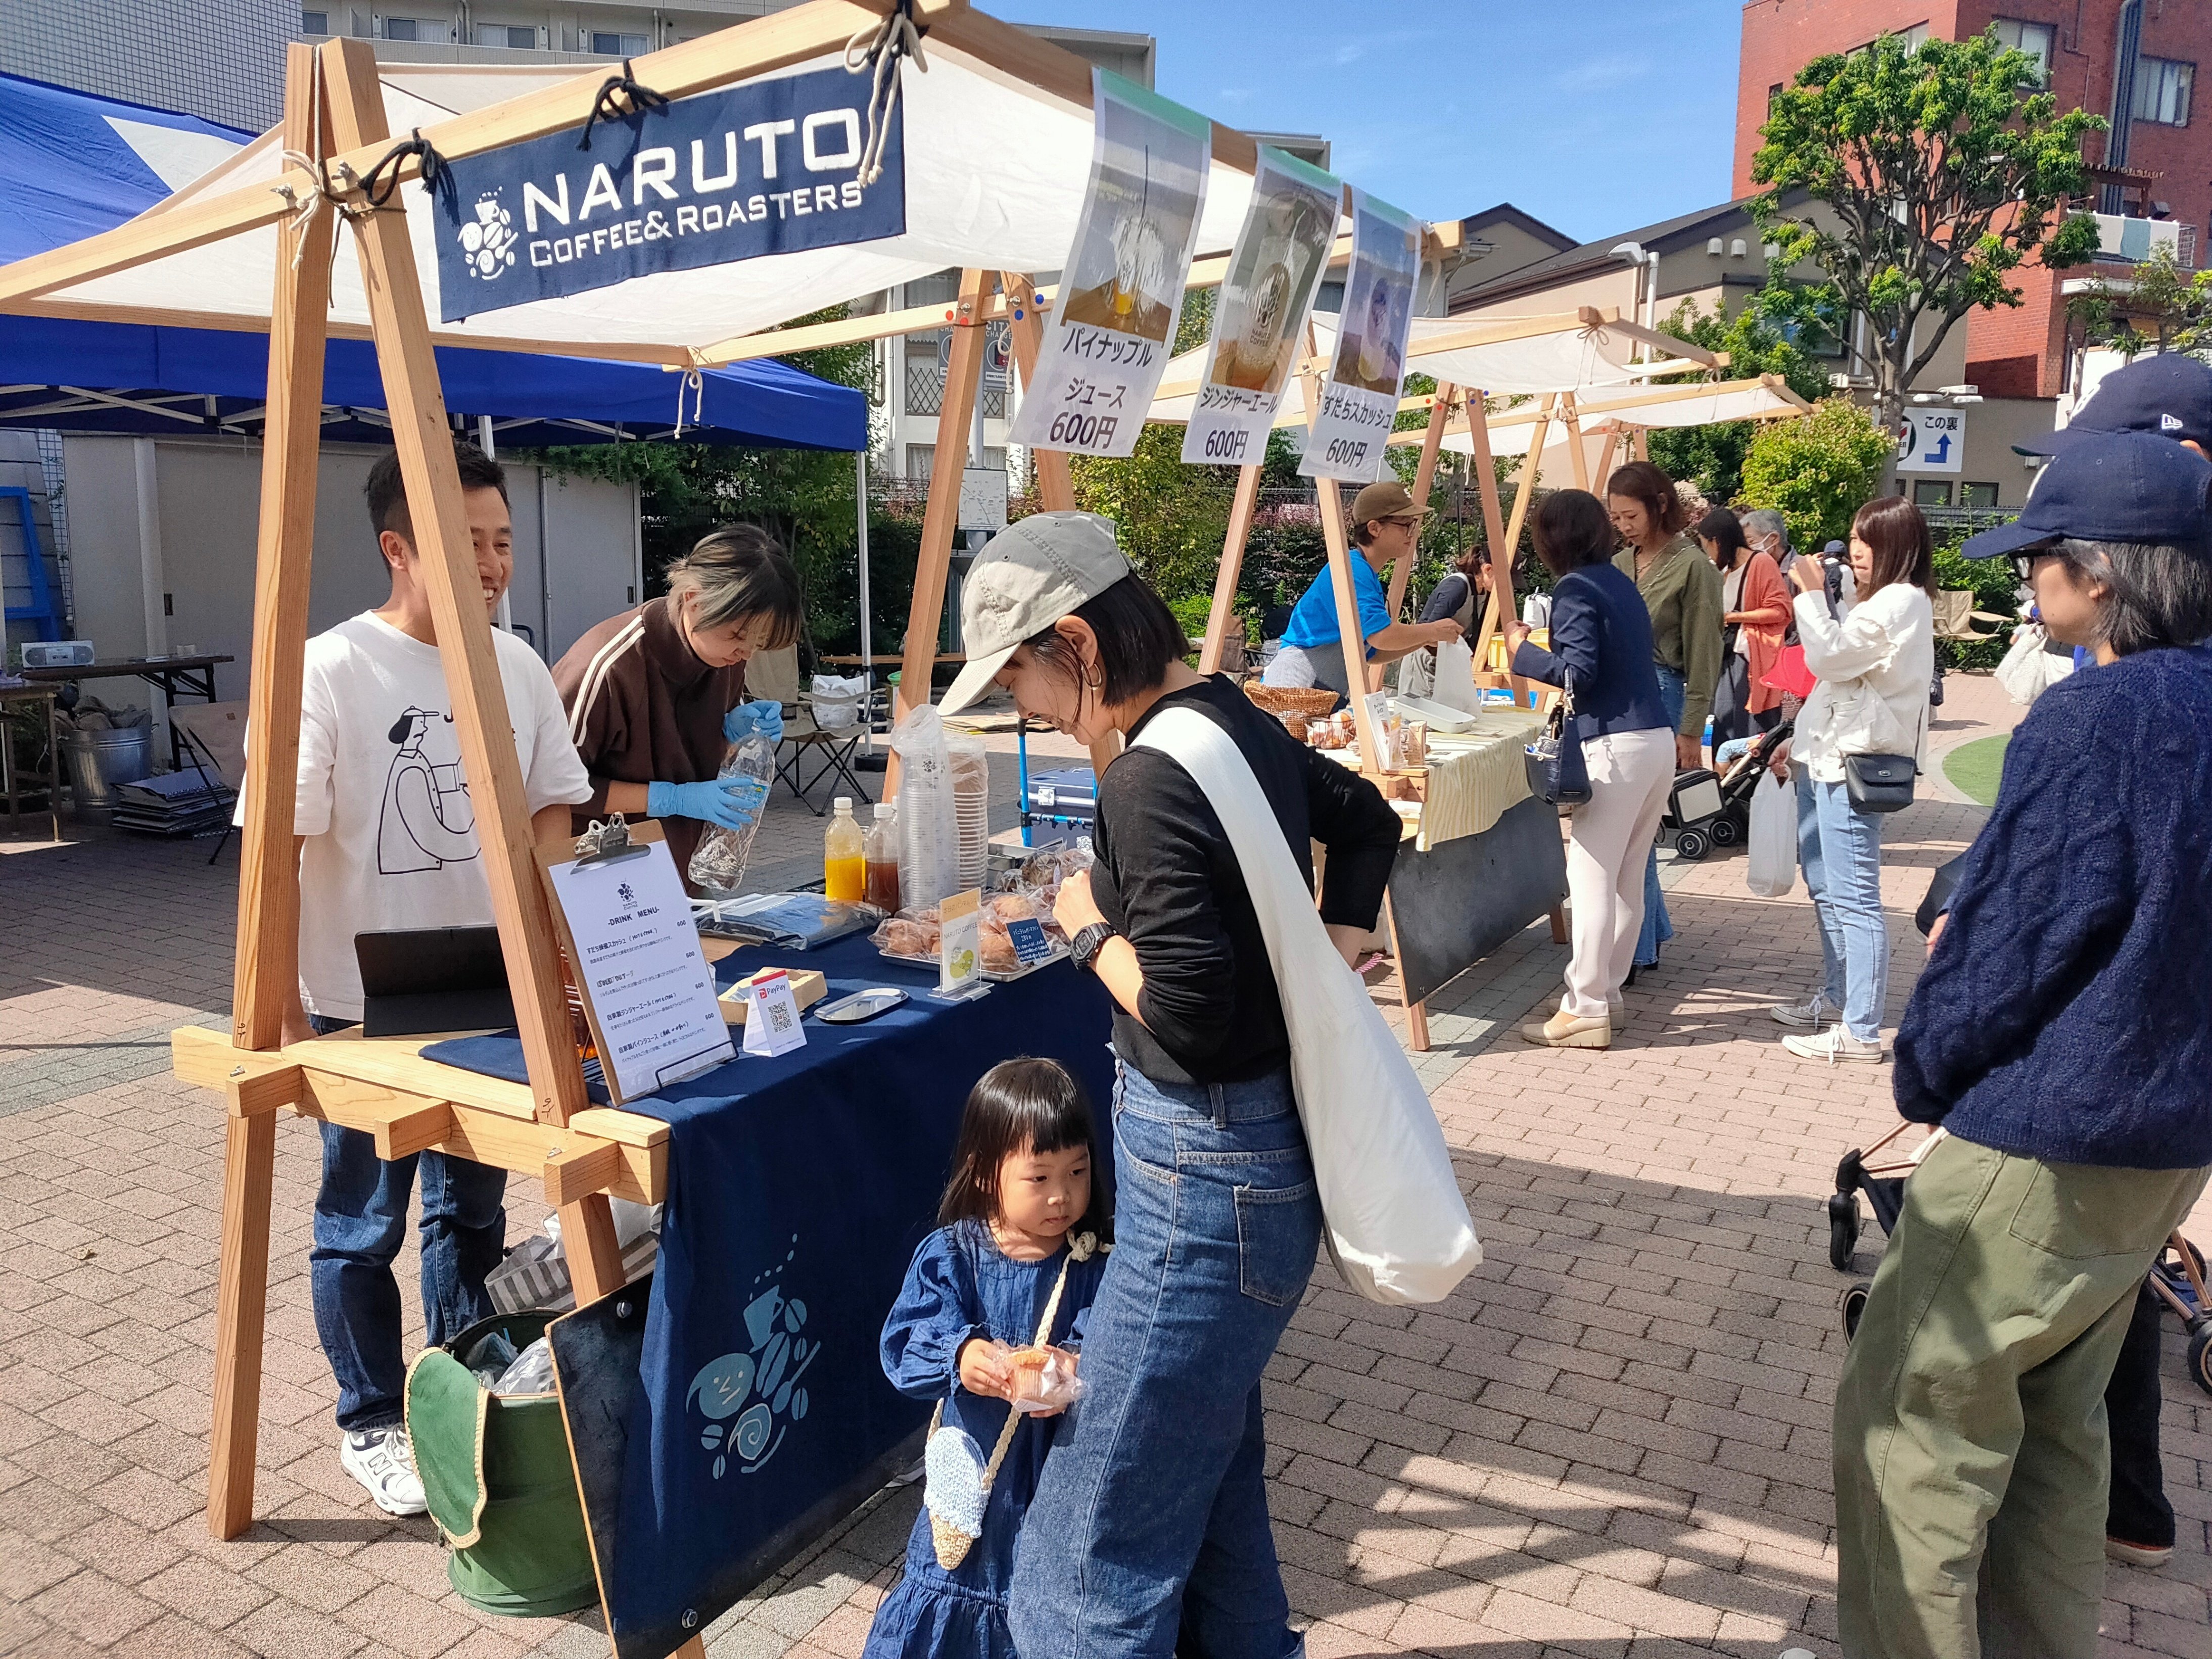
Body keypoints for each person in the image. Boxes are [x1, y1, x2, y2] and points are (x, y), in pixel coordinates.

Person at [930, 510, 1400, 1659]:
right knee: (1211, 1500)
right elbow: (1366, 817)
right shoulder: (1226, 716)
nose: (1027, 707)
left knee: (1081, 1559)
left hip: (1204, 1181)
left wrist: (1086, 926)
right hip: (1239, 1174)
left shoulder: (1144, 779)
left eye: (1026, 677)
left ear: (1079, 644)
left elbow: (1186, 1011)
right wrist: (1331, 952)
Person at [1834, 430, 2212, 1658]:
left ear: (2101, 574)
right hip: (2164, 1144)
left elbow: (2007, 950)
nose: (2030, 581)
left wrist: (1926, 1069)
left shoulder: (2099, 715)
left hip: (2044, 1132)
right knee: (2058, 1439)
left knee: (1909, 1444)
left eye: (2044, 558)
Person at [264, 439, 593, 1514]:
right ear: (397, 547)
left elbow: (555, 807)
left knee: (472, 1212)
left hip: (491, 990)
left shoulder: (515, 664)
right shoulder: (329, 668)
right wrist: (273, 1012)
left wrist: (555, 951)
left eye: (501, 542)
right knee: (362, 1220)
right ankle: (368, 1419)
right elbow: (276, 840)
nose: (491, 564)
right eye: (467, 543)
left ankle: (458, 1386)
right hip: (360, 1007)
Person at [861, 1057, 1111, 1659]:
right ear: (984, 1174)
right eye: (1040, 1177)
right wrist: (962, 1351)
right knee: (952, 1585)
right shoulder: (954, 1254)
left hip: (1058, 1480)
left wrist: (1073, 1366)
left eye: (1078, 1171)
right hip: (975, 1482)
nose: (1062, 1195)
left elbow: (1112, 1345)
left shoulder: (1093, 1261)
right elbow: (904, 1343)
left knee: (1049, 1604)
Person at [1765, 497, 1934, 1063]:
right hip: (1828, 757)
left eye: (1867, 540)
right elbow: (1844, 687)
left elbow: (1832, 660)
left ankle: (1860, 1029)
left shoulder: (1900, 601)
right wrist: (1799, 739)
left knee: (1855, 895)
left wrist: (1810, 595)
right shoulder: (1881, 600)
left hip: (1852, 766)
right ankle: (1839, 999)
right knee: (1826, 886)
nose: (1855, 550)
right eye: (1854, 538)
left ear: (1896, 546)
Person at [1504, 491, 1674, 1049]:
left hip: (1615, 746)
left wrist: (1521, 652)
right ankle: (1606, 994)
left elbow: (1578, 673)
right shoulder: (1619, 580)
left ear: (1554, 538)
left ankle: (1586, 1004)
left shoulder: (1575, 588)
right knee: (1627, 877)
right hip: (1654, 739)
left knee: (1593, 875)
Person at [553, 525, 799, 883]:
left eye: (758, 642)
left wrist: (735, 737)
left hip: (684, 871)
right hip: (601, 879)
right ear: (693, 600)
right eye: (738, 636)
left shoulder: (725, 658)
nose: (746, 652)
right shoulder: (609, 668)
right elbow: (553, 790)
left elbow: (703, 760)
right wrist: (669, 798)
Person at [1607, 459, 1722, 973]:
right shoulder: (1617, 564)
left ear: (1658, 506)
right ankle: (1646, 936)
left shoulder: (1694, 566)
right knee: (1636, 829)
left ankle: (1637, 945)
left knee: (1638, 826)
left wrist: (1692, 727)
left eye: (1630, 515)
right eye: (1615, 518)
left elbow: (1705, 650)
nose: (1624, 526)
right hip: (1622, 699)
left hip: (1665, 693)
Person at [1260, 479, 1461, 696]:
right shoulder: (1352, 570)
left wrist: (1424, 638)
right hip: (1295, 688)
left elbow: (1374, 653)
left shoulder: (1362, 570)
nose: (1412, 534)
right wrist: (1431, 631)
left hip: (1314, 689)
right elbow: (1381, 636)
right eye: (1406, 525)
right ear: (1375, 528)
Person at [1399, 547, 1493, 697]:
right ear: (1488, 569)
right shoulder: (1457, 587)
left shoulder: (1484, 594)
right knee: (1425, 716)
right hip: (1426, 661)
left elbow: (1477, 635)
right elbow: (1427, 633)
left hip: (1448, 664)